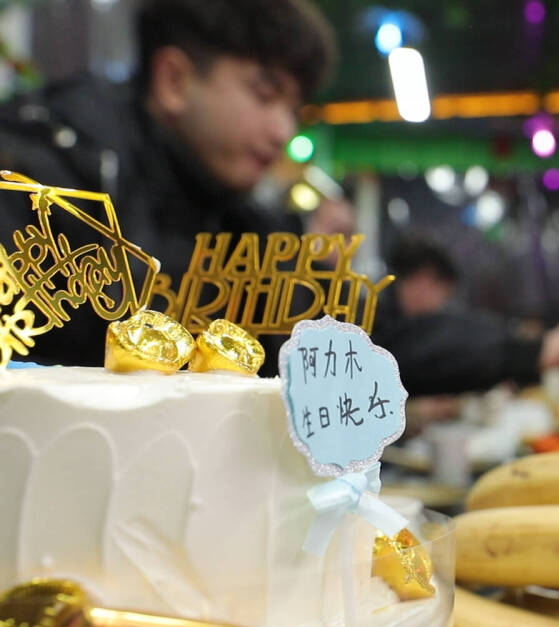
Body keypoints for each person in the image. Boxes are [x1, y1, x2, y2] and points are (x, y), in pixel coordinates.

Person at [0, 0, 335, 367]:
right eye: (265, 94)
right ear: (173, 80)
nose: (283, 131)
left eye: (294, 109)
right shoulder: (38, 183)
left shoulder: (245, 223)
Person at [374, 236, 559, 396]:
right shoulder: (378, 327)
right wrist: (542, 348)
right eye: (443, 292)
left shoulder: (389, 320)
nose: (443, 304)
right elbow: (436, 345)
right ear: (424, 280)